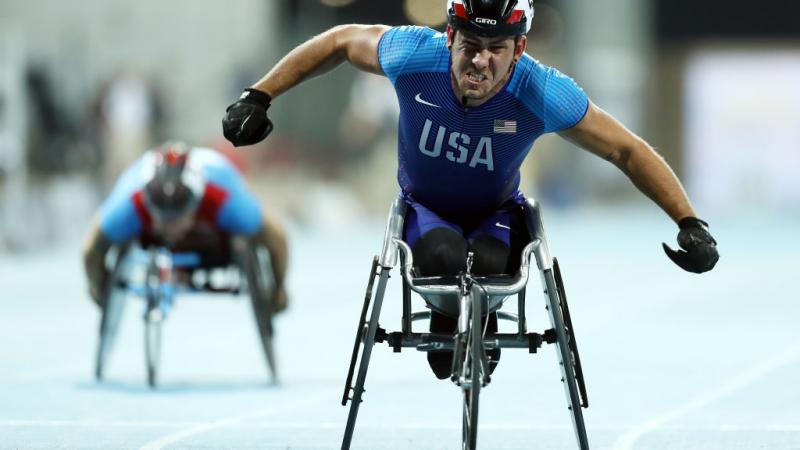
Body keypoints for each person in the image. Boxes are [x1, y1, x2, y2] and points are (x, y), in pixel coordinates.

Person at [221, 0, 718, 379]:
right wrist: (259, 95)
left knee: (486, 260)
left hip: (497, 216)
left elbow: (626, 150)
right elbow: (338, 40)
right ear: (449, 36)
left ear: (519, 49)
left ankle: (480, 314)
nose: (480, 62)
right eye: (469, 47)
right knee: (440, 253)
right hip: (425, 211)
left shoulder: (541, 90)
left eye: (496, 50)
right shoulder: (415, 53)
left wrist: (689, 222)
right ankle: (447, 315)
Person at [82, 141, 289, 312]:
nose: (170, 226)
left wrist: (278, 290)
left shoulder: (226, 200)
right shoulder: (129, 204)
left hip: (217, 181)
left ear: (196, 204)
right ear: (149, 206)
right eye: (163, 219)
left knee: (256, 231)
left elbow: (278, 238)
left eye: (177, 218)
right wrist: (98, 290)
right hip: (141, 184)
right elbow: (91, 250)